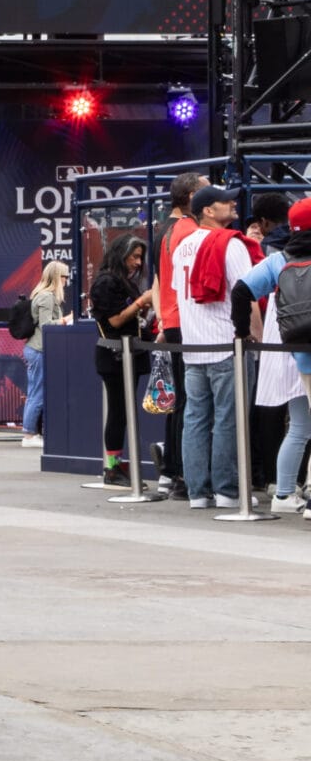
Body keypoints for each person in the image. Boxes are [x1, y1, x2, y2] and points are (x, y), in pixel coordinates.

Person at [171, 184, 254, 509]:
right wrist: (254, 334)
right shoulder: (231, 245)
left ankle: (197, 493)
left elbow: (179, 292)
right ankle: (227, 491)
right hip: (225, 344)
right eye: (226, 201)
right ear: (208, 210)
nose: (233, 204)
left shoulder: (182, 247)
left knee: (196, 420)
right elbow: (247, 294)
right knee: (227, 420)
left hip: (194, 347)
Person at [237, 196, 311, 513]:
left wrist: (241, 331)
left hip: (294, 353)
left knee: (300, 427)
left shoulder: (279, 259)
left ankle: (283, 495)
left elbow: (241, 290)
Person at [153, 172, 209, 497]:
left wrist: (163, 321)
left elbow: (160, 282)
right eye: (205, 192)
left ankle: (174, 471)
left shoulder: (168, 230)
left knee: (182, 401)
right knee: (189, 403)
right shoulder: (187, 230)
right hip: (186, 323)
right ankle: (181, 473)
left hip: (175, 322)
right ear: (191, 198)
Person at [89, 234, 157, 486]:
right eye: (134, 256)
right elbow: (115, 320)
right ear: (121, 254)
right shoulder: (106, 282)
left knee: (123, 412)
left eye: (141, 257)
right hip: (115, 356)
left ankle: (116, 466)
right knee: (118, 411)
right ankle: (112, 467)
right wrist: (142, 301)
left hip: (129, 353)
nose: (138, 262)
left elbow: (130, 318)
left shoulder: (122, 281)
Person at [20, 258, 71, 450]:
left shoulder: (44, 295)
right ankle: (29, 433)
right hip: (39, 350)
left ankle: (31, 432)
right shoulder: (47, 297)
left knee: (36, 391)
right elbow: (47, 325)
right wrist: (66, 320)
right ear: (57, 277)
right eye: (65, 276)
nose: (67, 280)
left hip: (38, 349)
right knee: (37, 393)